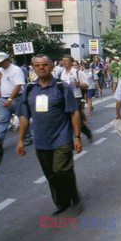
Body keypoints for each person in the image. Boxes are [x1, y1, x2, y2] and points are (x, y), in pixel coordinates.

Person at [16, 54, 83, 216]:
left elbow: (74, 113)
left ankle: (74, 196)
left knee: (61, 170)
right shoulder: (29, 89)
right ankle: (62, 202)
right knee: (51, 175)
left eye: (44, 64)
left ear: (52, 66)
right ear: (33, 67)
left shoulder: (62, 87)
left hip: (62, 138)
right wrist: (20, 140)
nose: (41, 67)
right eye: (37, 65)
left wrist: (77, 137)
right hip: (41, 140)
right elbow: (24, 116)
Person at [0, 52, 32, 145]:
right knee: (2, 121)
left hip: (16, 98)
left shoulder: (16, 70)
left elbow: (18, 84)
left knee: (22, 119)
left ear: (7, 60)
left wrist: (10, 99)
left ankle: (27, 138)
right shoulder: (1, 69)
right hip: (4, 98)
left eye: (1, 62)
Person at [59, 55, 93, 142]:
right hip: (65, 98)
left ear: (71, 62)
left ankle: (80, 135)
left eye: (66, 60)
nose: (64, 62)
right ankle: (85, 132)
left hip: (76, 97)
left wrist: (78, 84)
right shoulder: (60, 73)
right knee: (68, 119)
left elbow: (86, 85)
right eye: (63, 60)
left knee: (74, 117)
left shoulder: (78, 72)